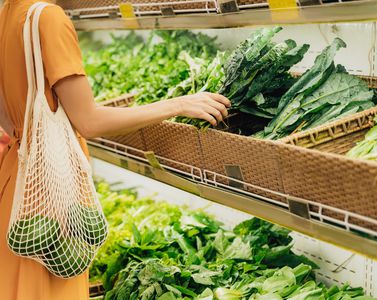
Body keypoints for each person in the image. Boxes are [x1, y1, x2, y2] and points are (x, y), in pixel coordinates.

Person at [0, 0, 231, 299]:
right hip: (51, 201)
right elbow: (90, 121)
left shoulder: (8, 15)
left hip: (17, 187)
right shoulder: (48, 18)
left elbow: (7, 117)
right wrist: (180, 103)